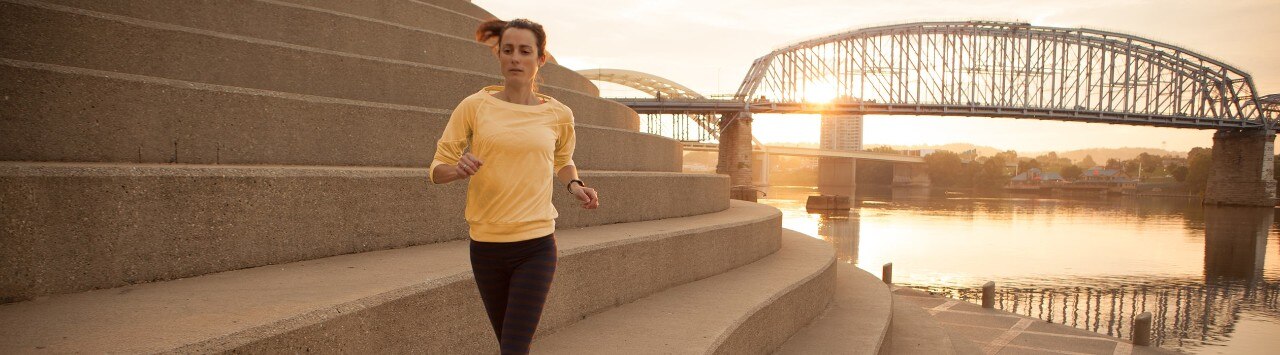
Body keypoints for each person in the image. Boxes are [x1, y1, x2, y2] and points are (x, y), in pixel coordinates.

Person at [429, 18, 600, 354]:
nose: (515, 58)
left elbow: (562, 160)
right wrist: (457, 169)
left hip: (535, 246)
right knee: (509, 344)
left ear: (540, 59)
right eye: (508, 50)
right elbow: (437, 168)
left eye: (525, 51)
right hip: (486, 246)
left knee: (513, 349)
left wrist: (575, 185)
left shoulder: (559, 114)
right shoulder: (474, 106)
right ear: (499, 56)